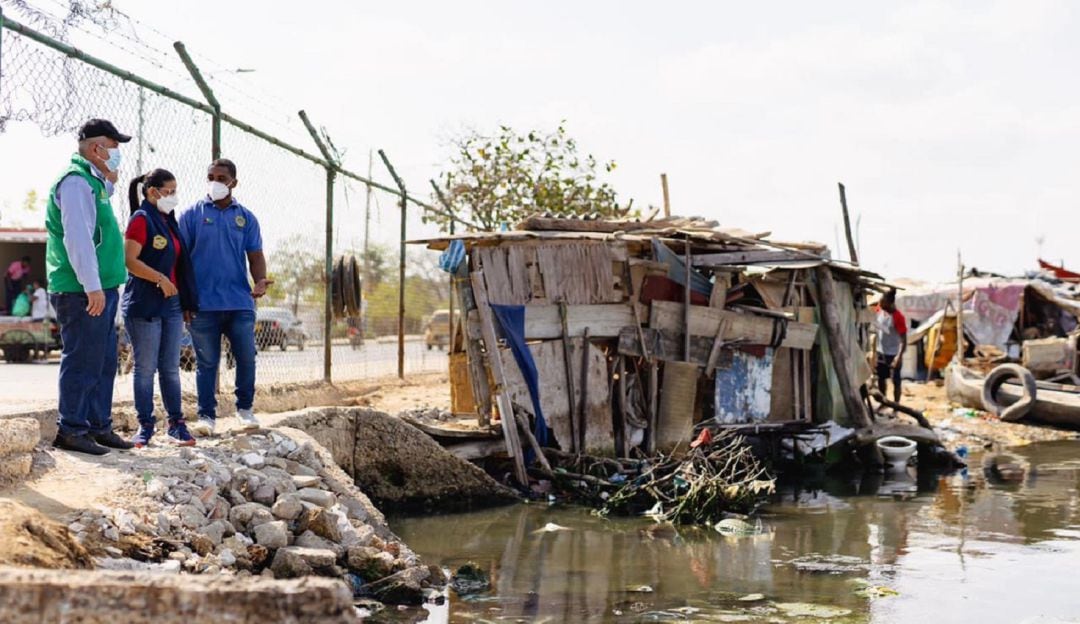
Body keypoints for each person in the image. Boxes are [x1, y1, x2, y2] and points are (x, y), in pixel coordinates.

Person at [45, 118, 133, 455]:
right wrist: (92, 286)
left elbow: (98, 217)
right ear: (97, 148)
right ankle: (72, 429)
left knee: (103, 359)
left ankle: (98, 426)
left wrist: (110, 179)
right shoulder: (75, 183)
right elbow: (79, 239)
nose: (116, 155)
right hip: (81, 290)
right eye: (113, 148)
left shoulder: (93, 182)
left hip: (101, 288)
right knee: (83, 358)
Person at [178, 158, 272, 436]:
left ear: (233, 182)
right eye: (211, 176)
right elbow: (180, 259)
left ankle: (245, 410)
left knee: (246, 358)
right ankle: (206, 416)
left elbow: (255, 255)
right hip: (202, 305)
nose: (215, 182)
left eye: (221, 177)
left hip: (239, 303)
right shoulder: (192, 215)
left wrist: (260, 281)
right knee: (207, 363)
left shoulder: (246, 217)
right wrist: (185, 299)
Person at [123, 169, 199, 448]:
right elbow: (130, 261)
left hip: (172, 305)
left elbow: (180, 262)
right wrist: (159, 278)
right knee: (145, 369)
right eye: (169, 192)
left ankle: (176, 424)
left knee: (170, 368)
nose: (173, 197)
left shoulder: (168, 221)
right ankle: (145, 425)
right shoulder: (141, 220)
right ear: (152, 192)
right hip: (145, 304)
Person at [875, 288, 908, 403]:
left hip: (893, 354)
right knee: (881, 379)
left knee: (896, 381)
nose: (880, 304)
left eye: (883, 302)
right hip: (881, 351)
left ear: (890, 303)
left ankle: (896, 406)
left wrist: (898, 357)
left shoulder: (898, 317)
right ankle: (883, 402)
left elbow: (904, 339)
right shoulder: (880, 310)